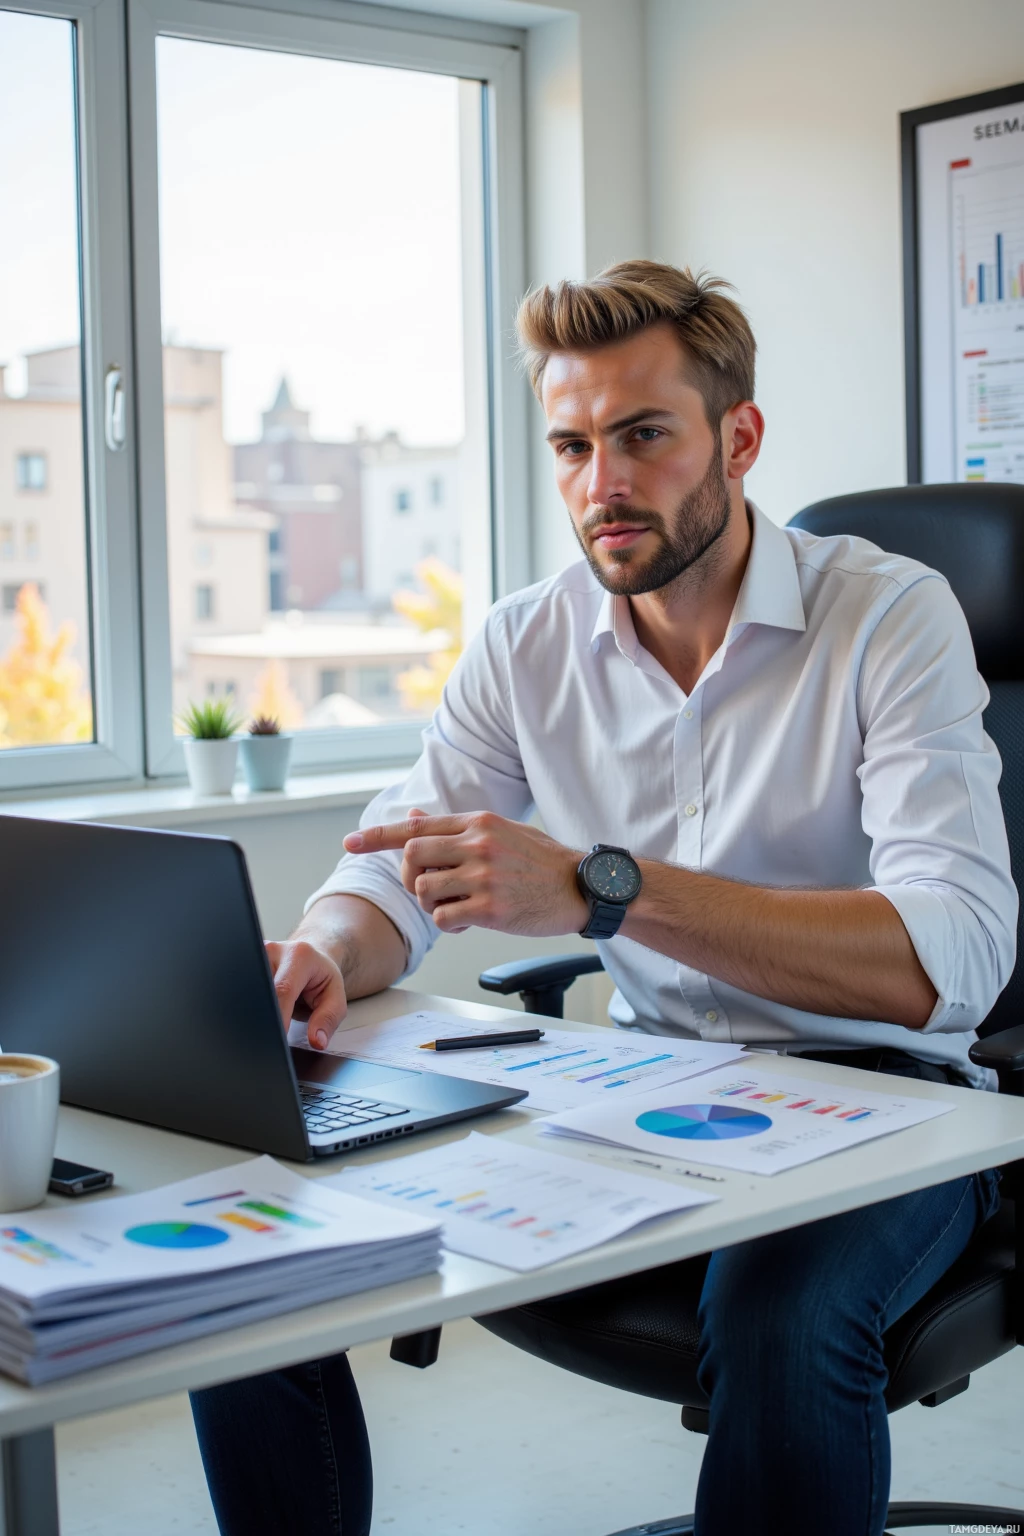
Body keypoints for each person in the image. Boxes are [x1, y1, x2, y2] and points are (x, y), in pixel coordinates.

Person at [190, 261, 1016, 1536]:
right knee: (260, 1239)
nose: (601, 485)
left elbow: (947, 960)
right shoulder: (524, 641)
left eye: (642, 437)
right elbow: (388, 871)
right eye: (572, 445)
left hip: (887, 1097)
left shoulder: (889, 617)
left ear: (736, 437)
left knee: (783, 1309)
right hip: (646, 1093)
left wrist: (600, 893)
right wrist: (322, 952)